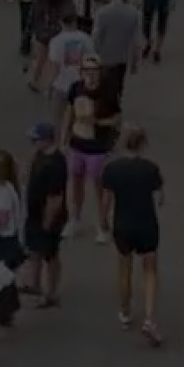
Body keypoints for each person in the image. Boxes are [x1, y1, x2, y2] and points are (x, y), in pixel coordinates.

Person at [101, 126, 165, 344]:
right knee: (150, 270)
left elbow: (106, 201)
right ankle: (149, 317)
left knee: (124, 266)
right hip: (147, 224)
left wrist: (103, 222)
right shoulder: (151, 169)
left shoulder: (112, 169)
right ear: (143, 145)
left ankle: (125, 310)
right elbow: (160, 199)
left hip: (123, 224)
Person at [62, 55, 122, 241]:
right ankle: (75, 218)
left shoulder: (108, 92)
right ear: (81, 73)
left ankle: (102, 224)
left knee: (99, 187)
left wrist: (98, 122)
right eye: (87, 70)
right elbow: (69, 112)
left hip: (98, 147)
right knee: (76, 182)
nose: (91, 75)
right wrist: (64, 138)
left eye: (94, 71)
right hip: (77, 145)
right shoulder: (75, 89)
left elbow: (117, 119)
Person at [23, 123, 68, 307]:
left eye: (36, 139)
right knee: (34, 250)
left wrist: (48, 222)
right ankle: (34, 283)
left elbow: (55, 198)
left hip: (47, 216)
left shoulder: (55, 165)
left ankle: (50, 293)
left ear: (47, 140)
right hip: (34, 213)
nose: (33, 143)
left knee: (50, 255)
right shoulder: (41, 155)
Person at [92, 0, 140, 98]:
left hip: (104, 59)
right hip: (122, 59)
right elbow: (136, 41)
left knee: (103, 91)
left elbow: (96, 38)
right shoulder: (133, 12)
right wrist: (134, 61)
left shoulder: (103, 12)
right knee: (117, 89)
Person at [46, 13, 96, 126]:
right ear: (75, 22)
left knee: (58, 118)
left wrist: (49, 87)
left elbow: (55, 68)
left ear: (61, 23)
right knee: (78, 119)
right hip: (80, 84)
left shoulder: (56, 41)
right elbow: (91, 62)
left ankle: (59, 141)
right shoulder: (86, 38)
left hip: (61, 85)